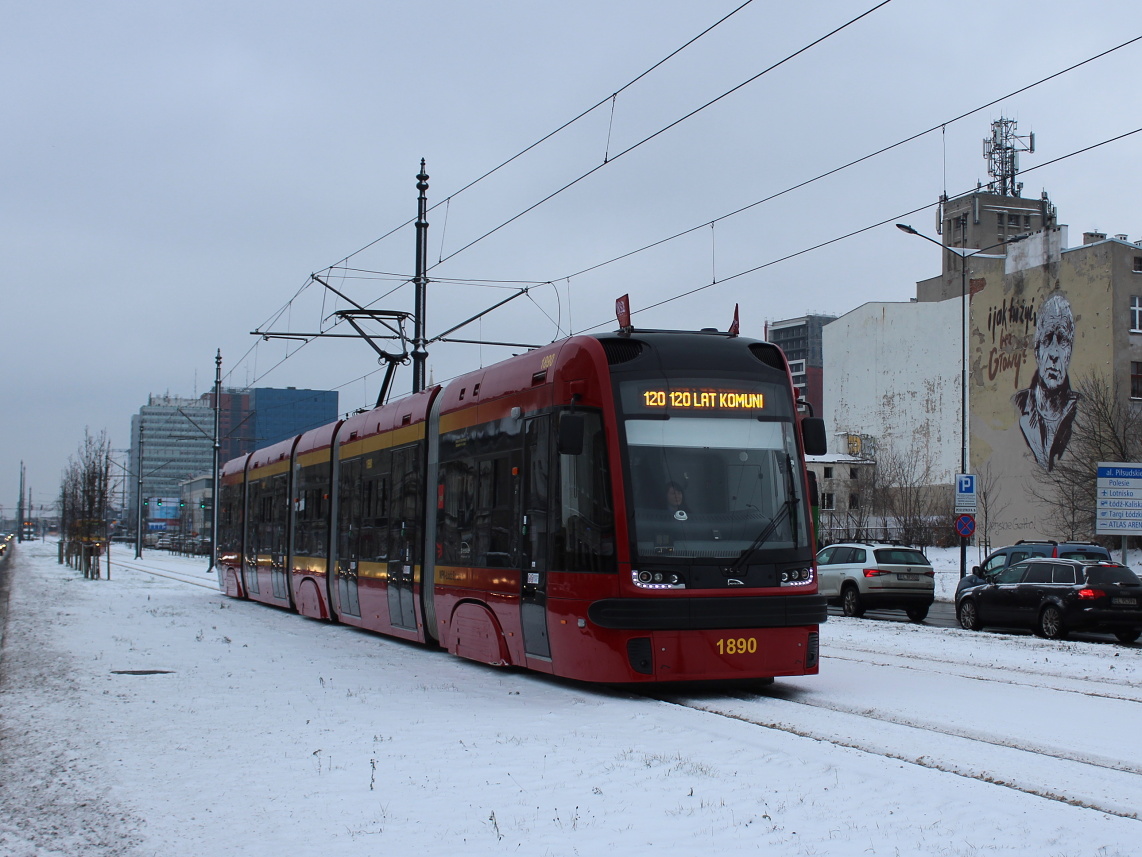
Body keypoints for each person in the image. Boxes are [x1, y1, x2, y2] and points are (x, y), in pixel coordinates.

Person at [1011, 292, 1080, 471]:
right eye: (1048, 339)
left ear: (1070, 351)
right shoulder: (1017, 406)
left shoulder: (1085, 410)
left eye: (1062, 340)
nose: (1054, 354)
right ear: (1037, 350)